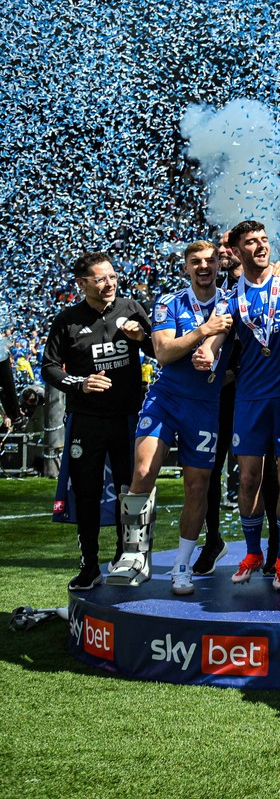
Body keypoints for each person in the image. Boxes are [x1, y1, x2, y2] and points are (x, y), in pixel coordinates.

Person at [110, 241, 231, 592]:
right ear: (187, 268)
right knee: (144, 470)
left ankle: (181, 565)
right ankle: (134, 555)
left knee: (197, 486)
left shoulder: (229, 301)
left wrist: (208, 348)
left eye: (210, 261)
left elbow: (222, 338)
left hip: (205, 405)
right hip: (166, 398)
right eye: (196, 262)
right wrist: (201, 333)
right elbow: (162, 352)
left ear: (218, 265)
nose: (204, 266)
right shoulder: (169, 301)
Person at [42, 252, 152, 591]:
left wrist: (141, 340)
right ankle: (89, 566)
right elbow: (49, 367)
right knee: (86, 494)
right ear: (82, 283)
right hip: (87, 421)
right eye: (101, 278)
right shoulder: (67, 320)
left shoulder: (132, 308)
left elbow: (159, 349)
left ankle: (127, 557)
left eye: (113, 276)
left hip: (127, 418)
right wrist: (81, 382)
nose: (110, 283)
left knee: (130, 491)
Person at [225, 221, 280, 587]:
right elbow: (215, 336)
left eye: (264, 240)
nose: (260, 247)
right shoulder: (231, 297)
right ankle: (253, 553)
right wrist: (205, 353)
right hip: (250, 398)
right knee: (249, 478)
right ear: (238, 252)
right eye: (251, 243)